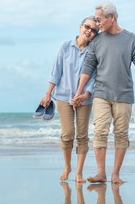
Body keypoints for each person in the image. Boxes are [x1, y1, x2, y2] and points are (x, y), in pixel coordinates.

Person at [72, 1, 135, 184]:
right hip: (101, 93)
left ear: (111, 17)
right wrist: (79, 90)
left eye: (99, 20)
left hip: (124, 95)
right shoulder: (97, 41)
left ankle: (115, 174)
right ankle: (101, 173)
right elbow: (88, 66)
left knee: (121, 134)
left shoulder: (131, 39)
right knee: (100, 131)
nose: (97, 24)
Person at [40, 16, 98, 183]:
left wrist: (86, 93)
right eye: (87, 26)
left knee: (82, 136)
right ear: (80, 26)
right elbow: (56, 71)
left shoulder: (93, 51)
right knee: (67, 134)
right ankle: (67, 166)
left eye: (94, 30)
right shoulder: (65, 46)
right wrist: (47, 93)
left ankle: (79, 172)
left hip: (84, 99)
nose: (89, 31)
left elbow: (94, 76)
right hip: (63, 97)